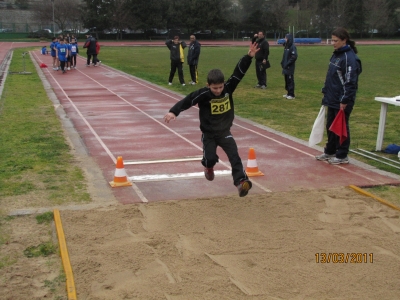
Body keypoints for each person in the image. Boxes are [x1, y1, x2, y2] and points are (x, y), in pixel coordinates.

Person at [163, 42, 260, 197]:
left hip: (224, 132)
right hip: (208, 134)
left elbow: (238, 73)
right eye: (215, 88)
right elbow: (188, 100)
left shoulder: (228, 88)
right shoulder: (204, 94)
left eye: (220, 87)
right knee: (210, 159)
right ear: (208, 85)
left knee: (234, 156)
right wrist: (174, 112)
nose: (218, 91)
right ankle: (208, 167)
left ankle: (241, 182)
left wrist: (248, 57)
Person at [315, 27, 362, 165]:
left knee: (341, 127)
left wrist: (345, 99)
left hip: (342, 99)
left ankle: (342, 154)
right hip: (331, 97)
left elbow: (350, 81)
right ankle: (330, 150)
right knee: (330, 125)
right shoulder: (336, 54)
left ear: (344, 40)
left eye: (336, 40)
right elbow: (331, 75)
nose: (333, 43)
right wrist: (325, 91)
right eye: (332, 40)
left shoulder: (349, 58)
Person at [280, 33, 298, 100]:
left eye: (286, 38)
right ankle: (288, 93)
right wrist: (282, 62)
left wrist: (287, 63)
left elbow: (294, 56)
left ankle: (292, 94)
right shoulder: (286, 47)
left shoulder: (292, 47)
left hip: (289, 67)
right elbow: (285, 56)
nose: (285, 39)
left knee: (290, 80)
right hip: (285, 67)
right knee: (286, 80)